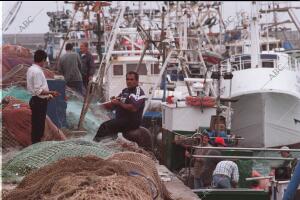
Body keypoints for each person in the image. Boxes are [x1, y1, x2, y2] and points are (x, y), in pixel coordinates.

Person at [93, 71, 146, 142]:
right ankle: (108, 143)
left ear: (137, 81)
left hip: (131, 121)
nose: (129, 81)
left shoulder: (137, 92)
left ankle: (95, 144)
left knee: (104, 126)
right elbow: (115, 102)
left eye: (131, 79)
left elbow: (134, 108)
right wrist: (98, 107)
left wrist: (119, 103)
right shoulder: (125, 91)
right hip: (122, 120)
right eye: (127, 79)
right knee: (110, 126)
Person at [27, 50, 60, 144]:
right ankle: (36, 146)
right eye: (45, 61)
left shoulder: (30, 69)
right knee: (39, 127)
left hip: (35, 100)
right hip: (39, 102)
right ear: (42, 60)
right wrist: (51, 92)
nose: (45, 63)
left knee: (36, 126)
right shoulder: (37, 72)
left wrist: (48, 95)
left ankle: (35, 144)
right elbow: (38, 91)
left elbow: (34, 89)